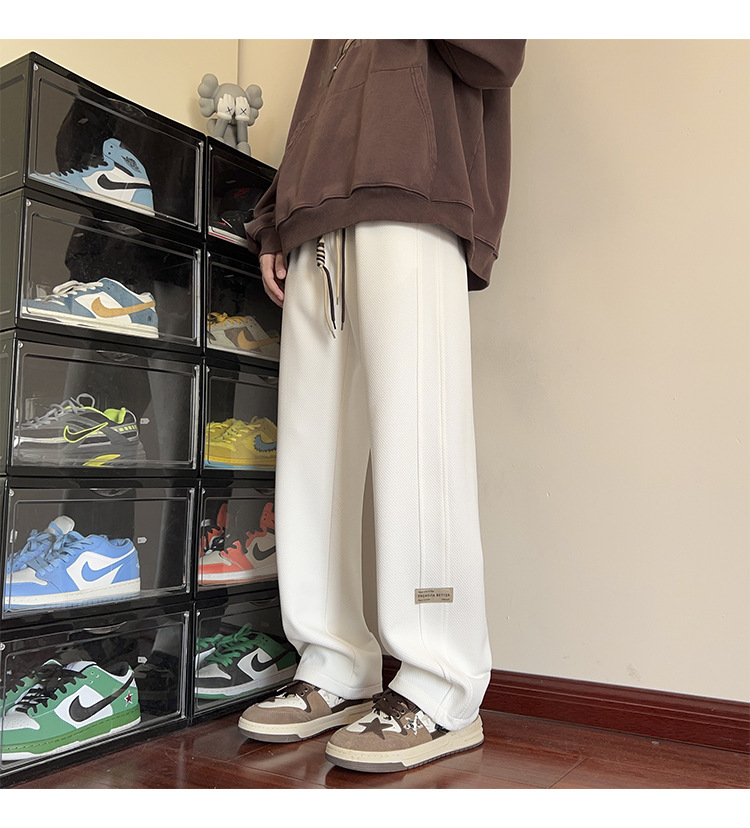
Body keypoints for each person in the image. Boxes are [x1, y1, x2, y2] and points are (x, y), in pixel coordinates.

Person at [239, 39, 526, 773]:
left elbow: (497, 54)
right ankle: (333, 661)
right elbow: (319, 100)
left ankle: (440, 683)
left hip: (410, 187)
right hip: (314, 215)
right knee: (314, 453)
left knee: (416, 438)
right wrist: (276, 214)